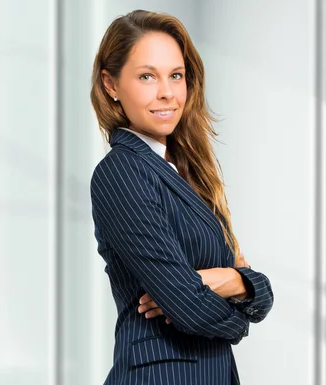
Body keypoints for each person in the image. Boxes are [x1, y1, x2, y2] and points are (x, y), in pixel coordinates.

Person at [89, 9, 274, 385]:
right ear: (111, 84)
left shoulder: (186, 172)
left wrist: (228, 281)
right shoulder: (122, 172)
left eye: (176, 75)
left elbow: (258, 287)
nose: (167, 93)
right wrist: (236, 303)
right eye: (147, 76)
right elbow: (188, 307)